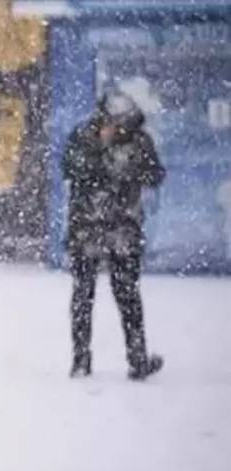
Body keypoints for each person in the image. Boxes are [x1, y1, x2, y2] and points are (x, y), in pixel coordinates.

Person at [62, 90, 165, 380]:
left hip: (120, 228)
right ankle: (82, 360)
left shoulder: (138, 140)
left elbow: (155, 175)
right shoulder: (85, 137)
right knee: (85, 295)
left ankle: (136, 360)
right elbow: (72, 169)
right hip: (92, 228)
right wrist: (103, 152)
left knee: (126, 295)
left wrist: (126, 164)